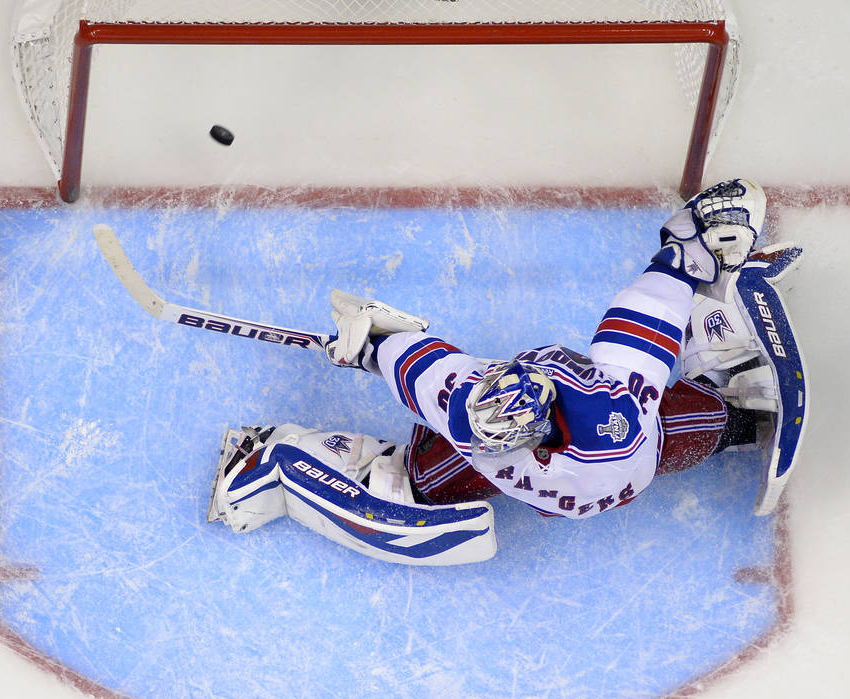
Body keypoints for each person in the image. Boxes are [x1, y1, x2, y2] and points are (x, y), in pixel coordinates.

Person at [207, 179, 807, 565]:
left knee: (424, 478)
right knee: (690, 420)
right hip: (629, 465)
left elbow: (425, 369)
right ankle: (737, 416)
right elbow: (638, 331)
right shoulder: (609, 412)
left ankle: (296, 462)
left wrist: (372, 346)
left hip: (581, 478)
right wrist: (683, 259)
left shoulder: (475, 426)